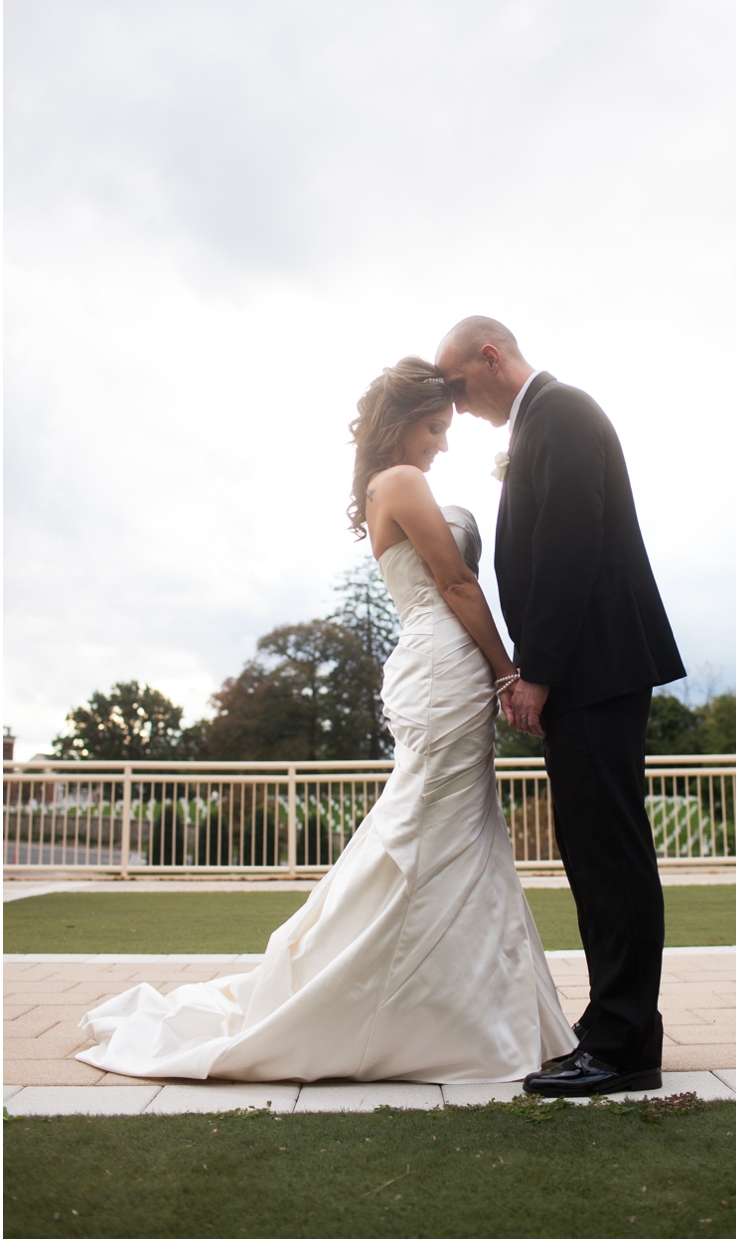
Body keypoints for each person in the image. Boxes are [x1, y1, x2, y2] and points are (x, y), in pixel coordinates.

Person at [75, 357, 573, 1084]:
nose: (442, 443)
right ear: (402, 424)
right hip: (445, 658)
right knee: (432, 823)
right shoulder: (401, 482)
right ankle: (404, 1008)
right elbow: (458, 582)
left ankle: (473, 1009)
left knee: (460, 827)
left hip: (438, 659)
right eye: (435, 428)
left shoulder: (387, 485)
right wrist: (507, 671)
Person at [436, 316, 686, 1096]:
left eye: (456, 384)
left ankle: (621, 1042)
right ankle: (615, 1025)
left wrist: (534, 672)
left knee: (609, 852)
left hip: (595, 669)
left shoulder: (565, 413)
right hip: (588, 671)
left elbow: (572, 548)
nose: (454, 401)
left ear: (491, 356)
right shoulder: (543, 419)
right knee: (594, 851)